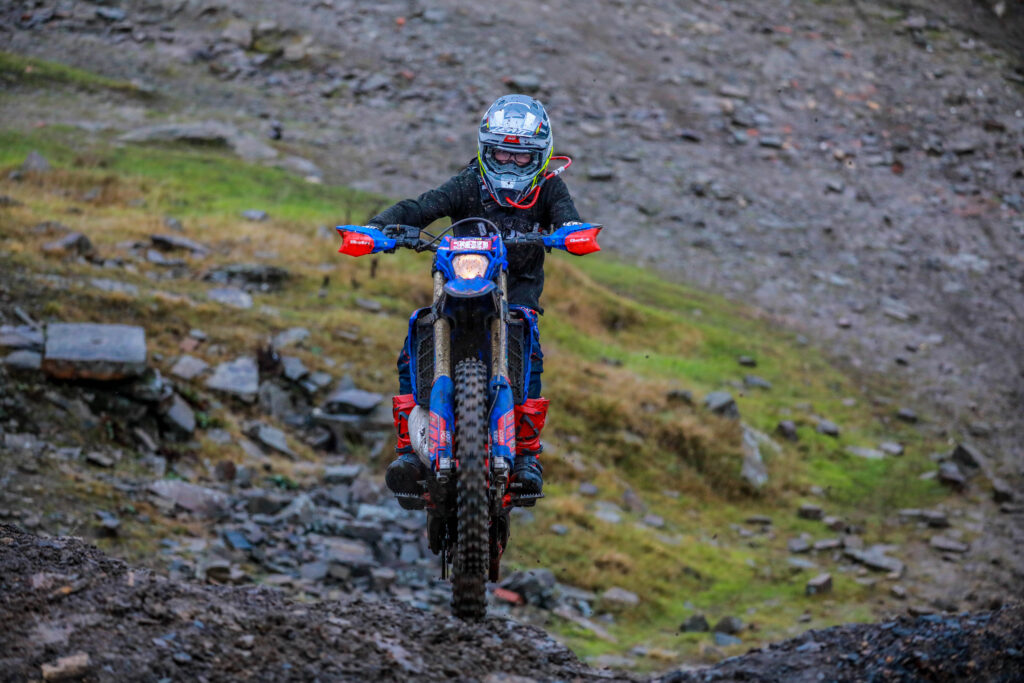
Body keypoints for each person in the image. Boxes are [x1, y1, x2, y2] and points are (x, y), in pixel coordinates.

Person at [367, 94, 586, 501]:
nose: (511, 164)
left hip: (517, 291)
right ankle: (409, 450)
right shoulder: (469, 183)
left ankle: (527, 455)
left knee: (528, 344)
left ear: (541, 156)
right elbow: (422, 207)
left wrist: (572, 231)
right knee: (418, 334)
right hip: (458, 286)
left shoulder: (549, 188)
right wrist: (378, 228)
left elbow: (567, 217)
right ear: (486, 151)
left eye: (522, 157)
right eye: (502, 153)